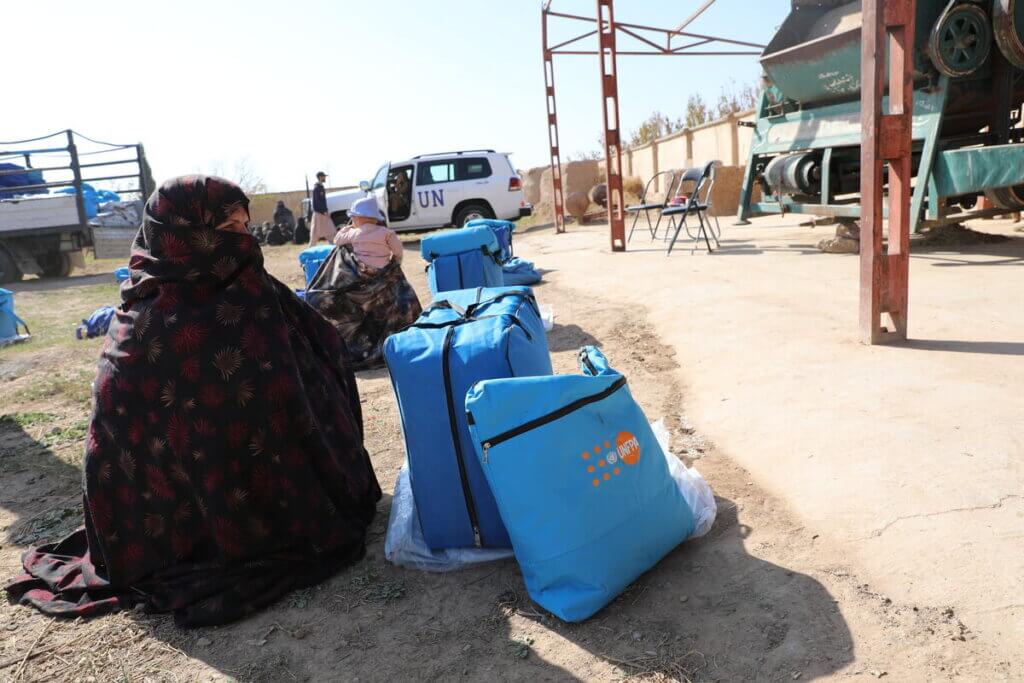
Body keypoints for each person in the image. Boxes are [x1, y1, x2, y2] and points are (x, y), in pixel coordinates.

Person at [5, 175, 381, 627]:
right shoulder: (146, 323)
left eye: (247, 227)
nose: (245, 242)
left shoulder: (250, 291)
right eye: (231, 230)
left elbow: (317, 351)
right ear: (185, 237)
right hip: (173, 518)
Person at [332, 196, 403, 269]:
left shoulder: (353, 233)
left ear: (357, 219)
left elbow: (337, 240)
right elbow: (398, 250)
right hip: (383, 269)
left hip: (362, 271)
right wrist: (397, 261)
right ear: (376, 218)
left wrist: (349, 227)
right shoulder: (387, 233)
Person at [309, 170, 334, 245]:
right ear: (320, 177)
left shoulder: (320, 187)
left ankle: (334, 246)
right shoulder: (317, 188)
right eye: (323, 176)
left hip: (322, 213)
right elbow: (317, 203)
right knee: (315, 233)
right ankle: (310, 249)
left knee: (330, 230)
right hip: (319, 213)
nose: (324, 178)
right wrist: (324, 211)